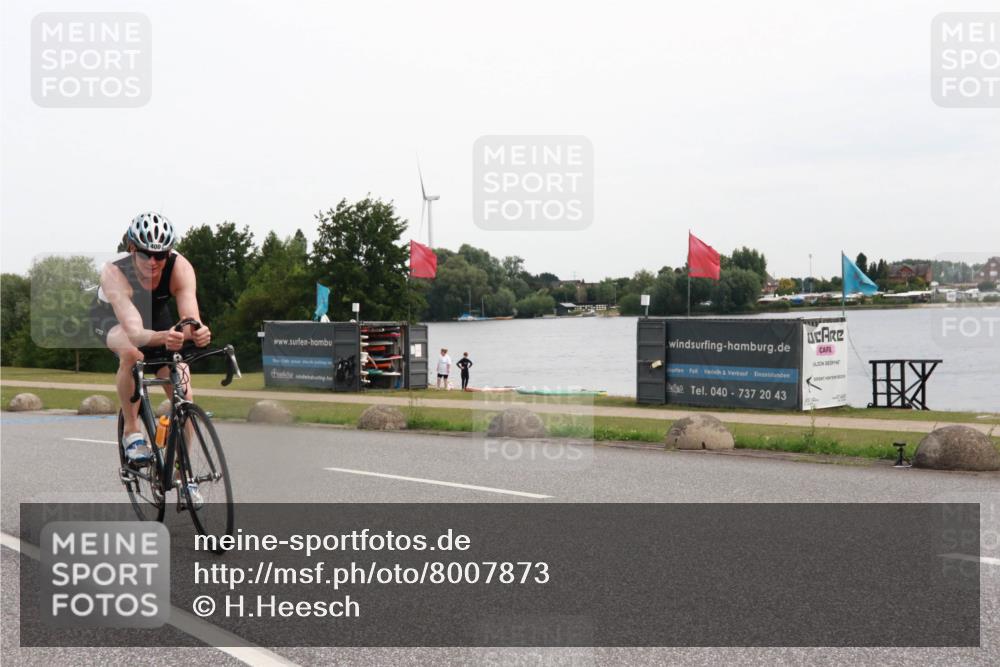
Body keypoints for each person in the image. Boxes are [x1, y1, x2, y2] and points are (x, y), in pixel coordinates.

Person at [90, 212, 211, 504]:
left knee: (185, 390)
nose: (153, 262)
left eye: (161, 254)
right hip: (114, 320)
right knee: (132, 353)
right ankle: (132, 432)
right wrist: (164, 337)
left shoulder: (180, 267)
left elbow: (189, 314)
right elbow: (134, 331)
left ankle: (183, 476)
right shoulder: (114, 272)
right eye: (146, 254)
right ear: (132, 248)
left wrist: (198, 330)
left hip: (156, 318)